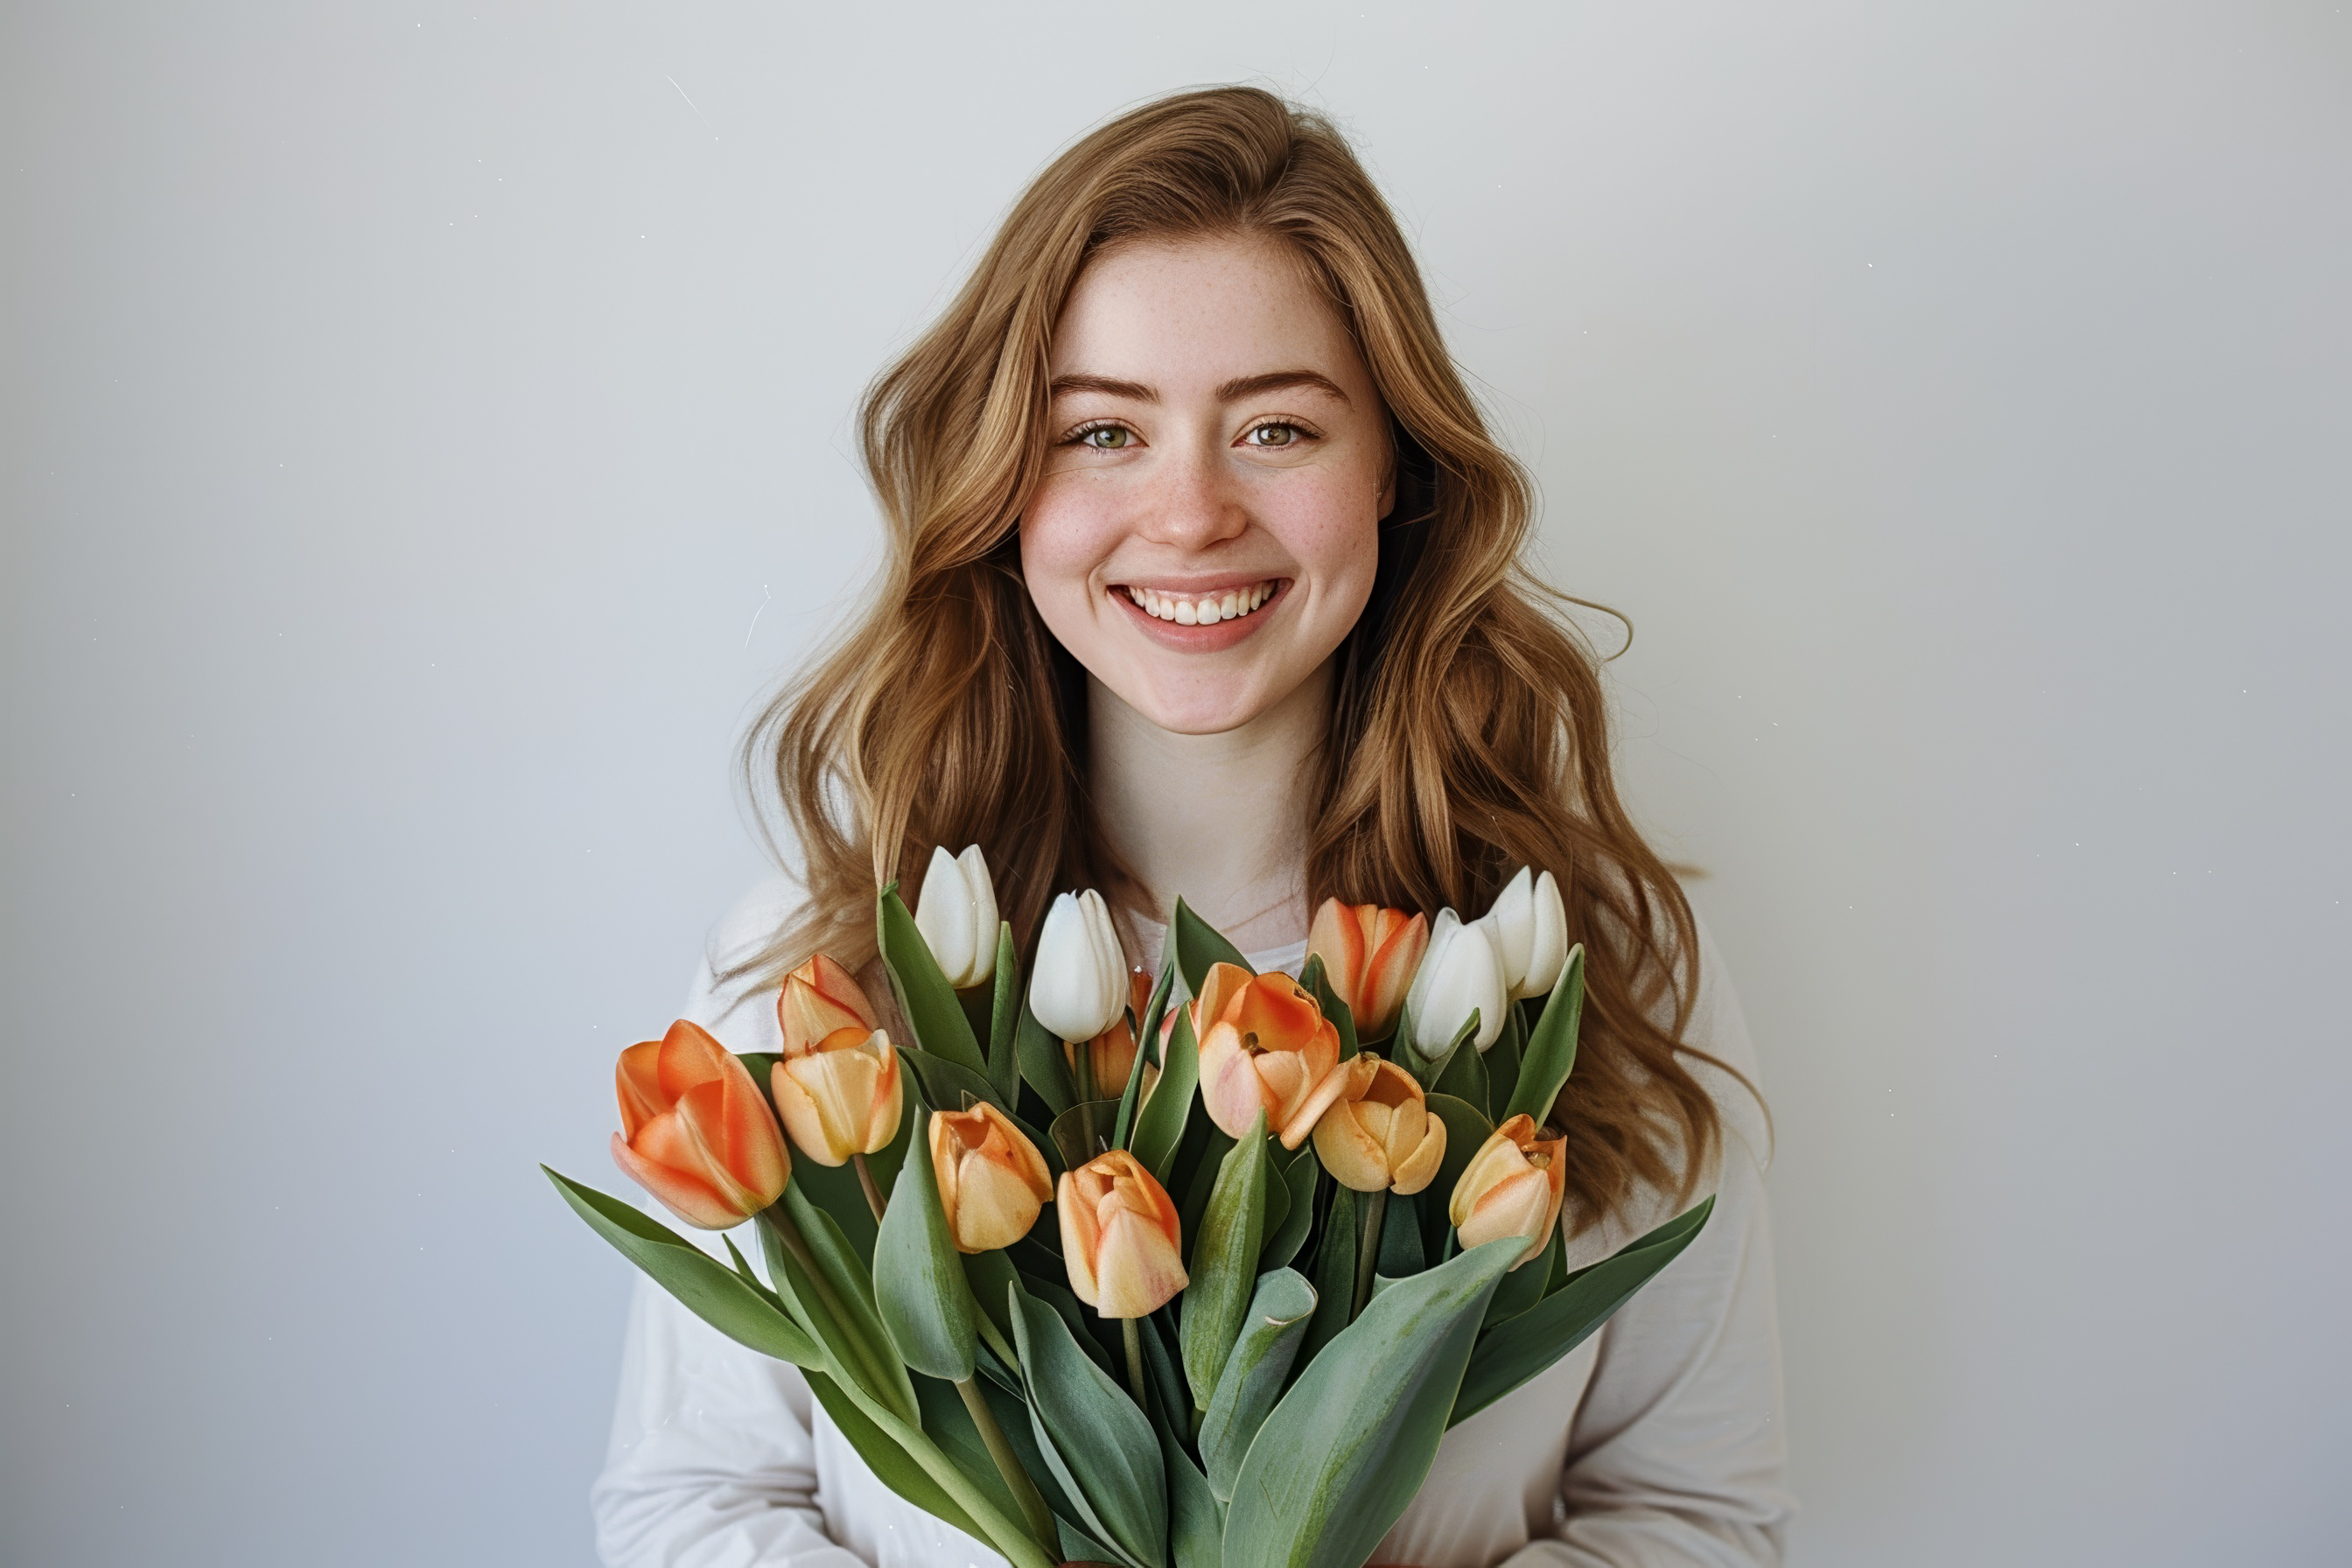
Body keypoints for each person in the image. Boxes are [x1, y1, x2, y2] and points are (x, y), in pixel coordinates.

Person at [590, 86, 1792, 1568]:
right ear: (1002, 487)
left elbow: (1698, 1520)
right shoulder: (813, 967)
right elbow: (688, 1507)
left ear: (1396, 472)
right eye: (1102, 432)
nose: (1190, 513)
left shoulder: (1586, 977)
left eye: (1277, 427)